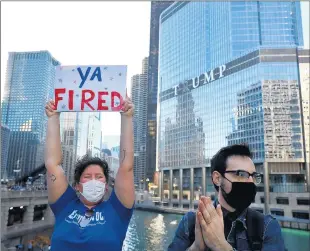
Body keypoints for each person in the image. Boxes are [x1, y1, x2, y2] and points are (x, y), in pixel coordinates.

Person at [44, 96, 135, 251]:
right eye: (87, 177)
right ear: (78, 186)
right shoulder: (65, 204)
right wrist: (53, 117)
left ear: (106, 187)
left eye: (99, 177)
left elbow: (126, 166)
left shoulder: (118, 210)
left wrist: (126, 117)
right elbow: (52, 165)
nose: (94, 180)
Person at [168, 144, 285, 251]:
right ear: (217, 178)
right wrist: (196, 247)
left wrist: (221, 246)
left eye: (253, 176)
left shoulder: (266, 226)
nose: (250, 181)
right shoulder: (191, 222)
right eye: (241, 174)